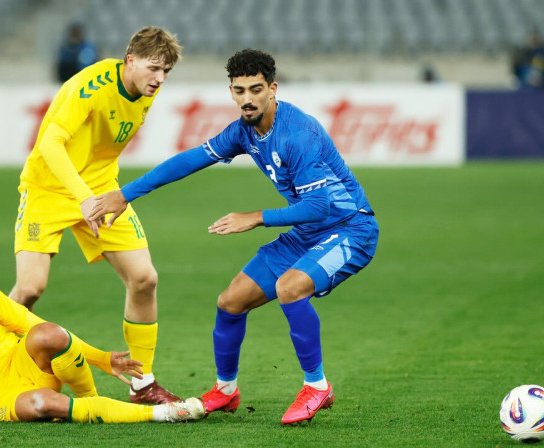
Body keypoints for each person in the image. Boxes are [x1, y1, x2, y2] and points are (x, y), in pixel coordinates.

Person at [90, 49, 379, 425]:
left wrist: (255, 218)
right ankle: (225, 391)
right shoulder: (244, 130)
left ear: (272, 89)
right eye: (239, 90)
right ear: (231, 92)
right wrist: (124, 194)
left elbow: (319, 207)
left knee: (291, 287)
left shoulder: (298, 134)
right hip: (308, 232)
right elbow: (190, 159)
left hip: (350, 230)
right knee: (230, 302)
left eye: (256, 89)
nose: (247, 98)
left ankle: (317, 386)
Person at [9, 26, 183, 405]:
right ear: (130, 59)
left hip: (101, 189)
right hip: (48, 189)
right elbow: (50, 143)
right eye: (154, 68)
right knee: (29, 289)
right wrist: (83, 198)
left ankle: (143, 384)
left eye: (166, 72)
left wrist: (96, 195)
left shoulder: (147, 88)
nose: (160, 79)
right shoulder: (89, 86)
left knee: (144, 278)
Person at [0, 228, 204, 424]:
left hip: (24, 364)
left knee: (48, 332)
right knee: (42, 404)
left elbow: (33, 324)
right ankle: (163, 414)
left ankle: (88, 400)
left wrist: (102, 360)